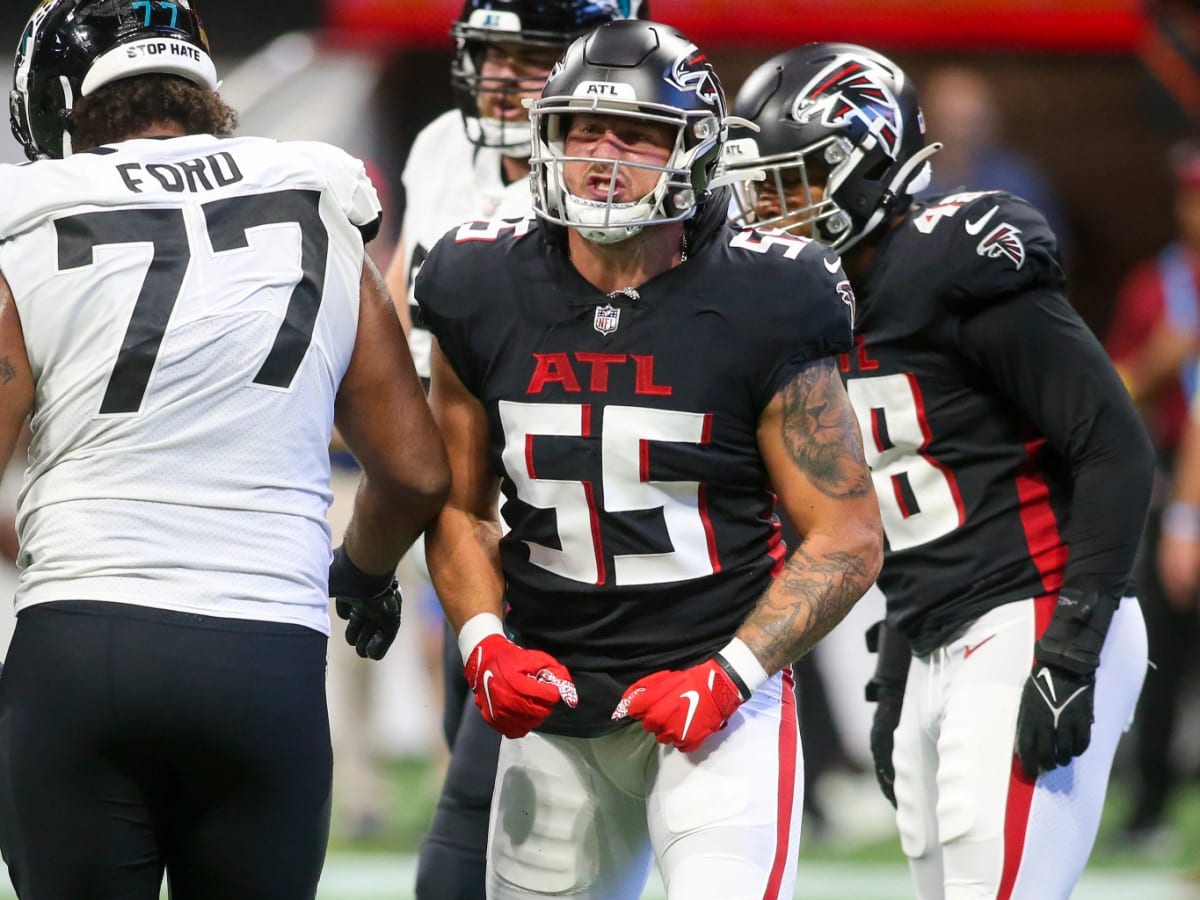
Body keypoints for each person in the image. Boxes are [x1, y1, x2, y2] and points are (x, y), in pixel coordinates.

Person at [415, 19, 883, 899]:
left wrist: (731, 673)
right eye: (581, 130)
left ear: (696, 152)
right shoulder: (476, 285)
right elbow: (458, 504)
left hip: (719, 705)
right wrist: (482, 640)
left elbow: (848, 534)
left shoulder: (769, 294)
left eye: (636, 133)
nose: (602, 156)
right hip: (556, 704)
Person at [0, 1, 450, 898]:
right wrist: (358, 571)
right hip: (262, 652)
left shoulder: (28, 214)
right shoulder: (318, 197)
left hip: (80, 642)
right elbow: (413, 468)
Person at [723, 43, 1154, 899]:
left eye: (798, 180)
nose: (773, 211)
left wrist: (1071, 648)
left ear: (871, 160)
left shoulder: (951, 256)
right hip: (926, 635)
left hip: (1028, 611)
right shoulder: (798, 307)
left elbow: (1114, 445)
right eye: (761, 186)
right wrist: (891, 676)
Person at [383, 2, 642, 895]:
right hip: (459, 507)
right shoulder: (441, 151)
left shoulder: (609, 187)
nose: (498, 74)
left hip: (573, 527)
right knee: (481, 767)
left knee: (492, 815)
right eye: (488, 51)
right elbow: (394, 326)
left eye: (529, 56)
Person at [1105, 137, 1200, 849]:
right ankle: (1150, 805)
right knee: (1161, 647)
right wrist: (1153, 365)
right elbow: (1109, 396)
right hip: (1172, 472)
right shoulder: (1156, 285)